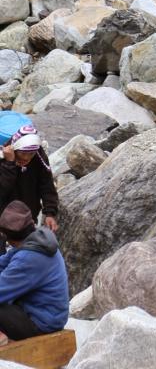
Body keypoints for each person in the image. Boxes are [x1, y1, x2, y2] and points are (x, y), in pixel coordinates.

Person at [0, 201, 68, 345]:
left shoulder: (28, 258)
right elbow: (4, 262)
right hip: (43, 314)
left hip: (43, 324)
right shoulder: (36, 240)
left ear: (10, 239)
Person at [0, 128, 58, 235]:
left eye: (31, 154)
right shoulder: (3, 158)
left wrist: (50, 213)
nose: (26, 158)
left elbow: (47, 185)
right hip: (4, 219)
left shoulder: (39, 158)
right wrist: (10, 164)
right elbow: (2, 190)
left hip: (28, 217)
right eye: (22, 153)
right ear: (14, 148)